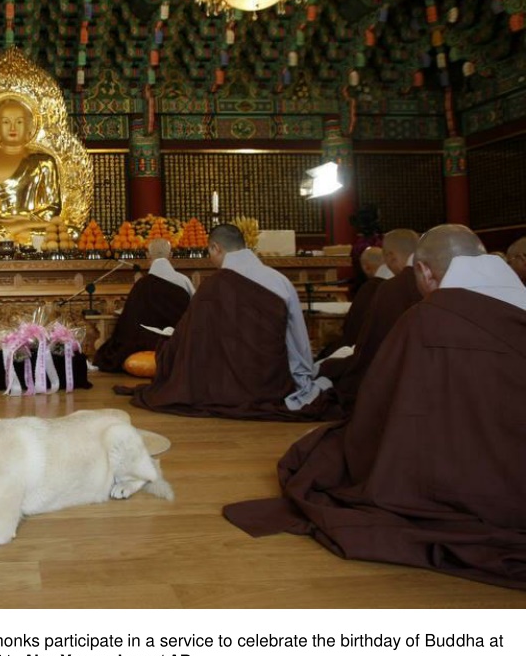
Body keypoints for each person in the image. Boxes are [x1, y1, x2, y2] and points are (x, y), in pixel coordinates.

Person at [224, 224, 526, 589]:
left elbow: (381, 403)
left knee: (320, 453)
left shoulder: (428, 318)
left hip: (452, 477)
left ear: (425, 272)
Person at [121, 224, 335, 421]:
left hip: (221, 385)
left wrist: (166, 350)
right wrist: (302, 377)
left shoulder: (212, 286)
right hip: (272, 382)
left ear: (215, 248)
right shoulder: (279, 281)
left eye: (209, 252)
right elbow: (297, 338)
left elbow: (191, 339)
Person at [318, 228, 422, 412]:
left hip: (389, 372)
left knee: (328, 367)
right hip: (424, 371)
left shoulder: (390, 288)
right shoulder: (432, 280)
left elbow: (368, 344)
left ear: (390, 256)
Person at [0, 98, 60, 243]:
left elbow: (53, 207)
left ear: (29, 127)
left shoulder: (44, 160)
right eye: (6, 122)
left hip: (34, 226)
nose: (13, 128)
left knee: (71, 232)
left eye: (19, 122)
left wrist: (25, 222)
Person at [93, 238, 194, 372]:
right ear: (171, 255)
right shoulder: (184, 281)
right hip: (177, 340)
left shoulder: (142, 285)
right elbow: (194, 311)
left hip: (146, 341)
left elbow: (128, 320)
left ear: (148, 256)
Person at [315, 245, 388, 361]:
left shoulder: (369, 289)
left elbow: (352, 329)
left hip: (363, 351)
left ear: (366, 267)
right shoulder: (396, 286)